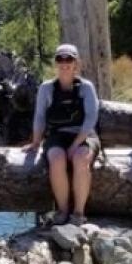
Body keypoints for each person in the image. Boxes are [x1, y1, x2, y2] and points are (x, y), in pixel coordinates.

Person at [23, 43, 100, 225]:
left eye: (69, 59)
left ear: (76, 64)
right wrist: (35, 143)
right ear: (56, 63)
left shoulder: (86, 87)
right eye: (60, 59)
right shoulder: (46, 88)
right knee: (56, 159)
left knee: (80, 158)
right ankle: (63, 210)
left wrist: (75, 145)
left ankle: (78, 213)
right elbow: (40, 117)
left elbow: (91, 119)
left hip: (84, 135)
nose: (64, 63)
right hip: (57, 135)